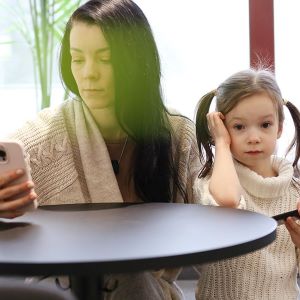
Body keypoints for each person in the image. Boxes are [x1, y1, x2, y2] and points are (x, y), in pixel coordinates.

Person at [0, 0, 201, 299]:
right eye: (77, 59)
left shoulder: (176, 134)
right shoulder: (40, 140)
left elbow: (211, 216)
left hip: (147, 291)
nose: (88, 74)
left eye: (105, 59)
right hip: (60, 291)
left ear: (137, 61)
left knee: (132, 273)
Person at [194, 68, 300, 299]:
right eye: (239, 127)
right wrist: (221, 143)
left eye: (265, 125)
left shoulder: (295, 190)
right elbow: (229, 201)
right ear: (221, 127)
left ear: (280, 127)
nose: (254, 137)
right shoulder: (213, 181)